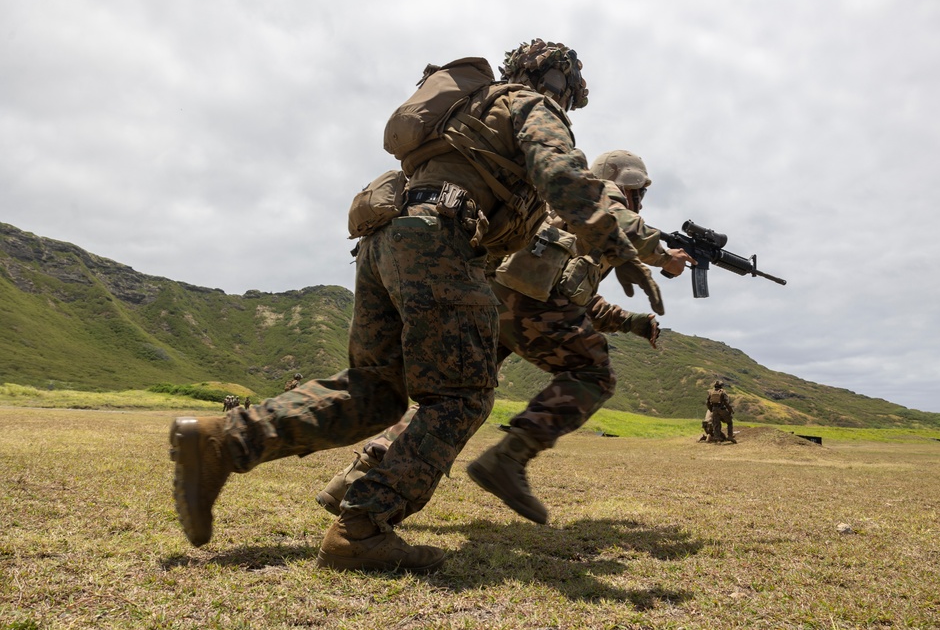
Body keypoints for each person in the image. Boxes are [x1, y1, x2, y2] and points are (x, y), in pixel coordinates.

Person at [168, 38, 639, 573]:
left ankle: (220, 442)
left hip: (385, 238)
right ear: (561, 82)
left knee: (376, 391)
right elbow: (562, 175)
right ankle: (362, 527)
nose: (570, 102)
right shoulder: (532, 105)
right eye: (570, 92)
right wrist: (612, 242)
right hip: (440, 239)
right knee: (460, 396)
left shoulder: (472, 107)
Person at [316, 149, 693, 524]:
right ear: (627, 184)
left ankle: (353, 479)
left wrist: (635, 323)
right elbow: (611, 226)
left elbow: (579, 299)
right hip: (527, 302)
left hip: (494, 299)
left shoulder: (570, 217)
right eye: (639, 191)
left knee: (452, 397)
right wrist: (662, 254)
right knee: (594, 372)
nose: (640, 200)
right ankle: (507, 459)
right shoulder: (601, 191)